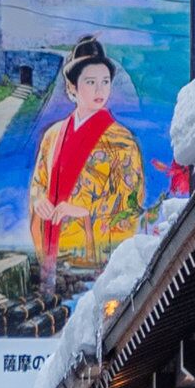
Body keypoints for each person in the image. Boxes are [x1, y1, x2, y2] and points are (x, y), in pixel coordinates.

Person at [27, 38, 150, 296]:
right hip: (55, 251)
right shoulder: (52, 136)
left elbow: (129, 204)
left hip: (93, 261)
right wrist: (40, 201)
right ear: (72, 87)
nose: (100, 90)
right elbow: (39, 183)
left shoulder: (122, 141)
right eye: (90, 82)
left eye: (105, 82)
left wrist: (84, 210)